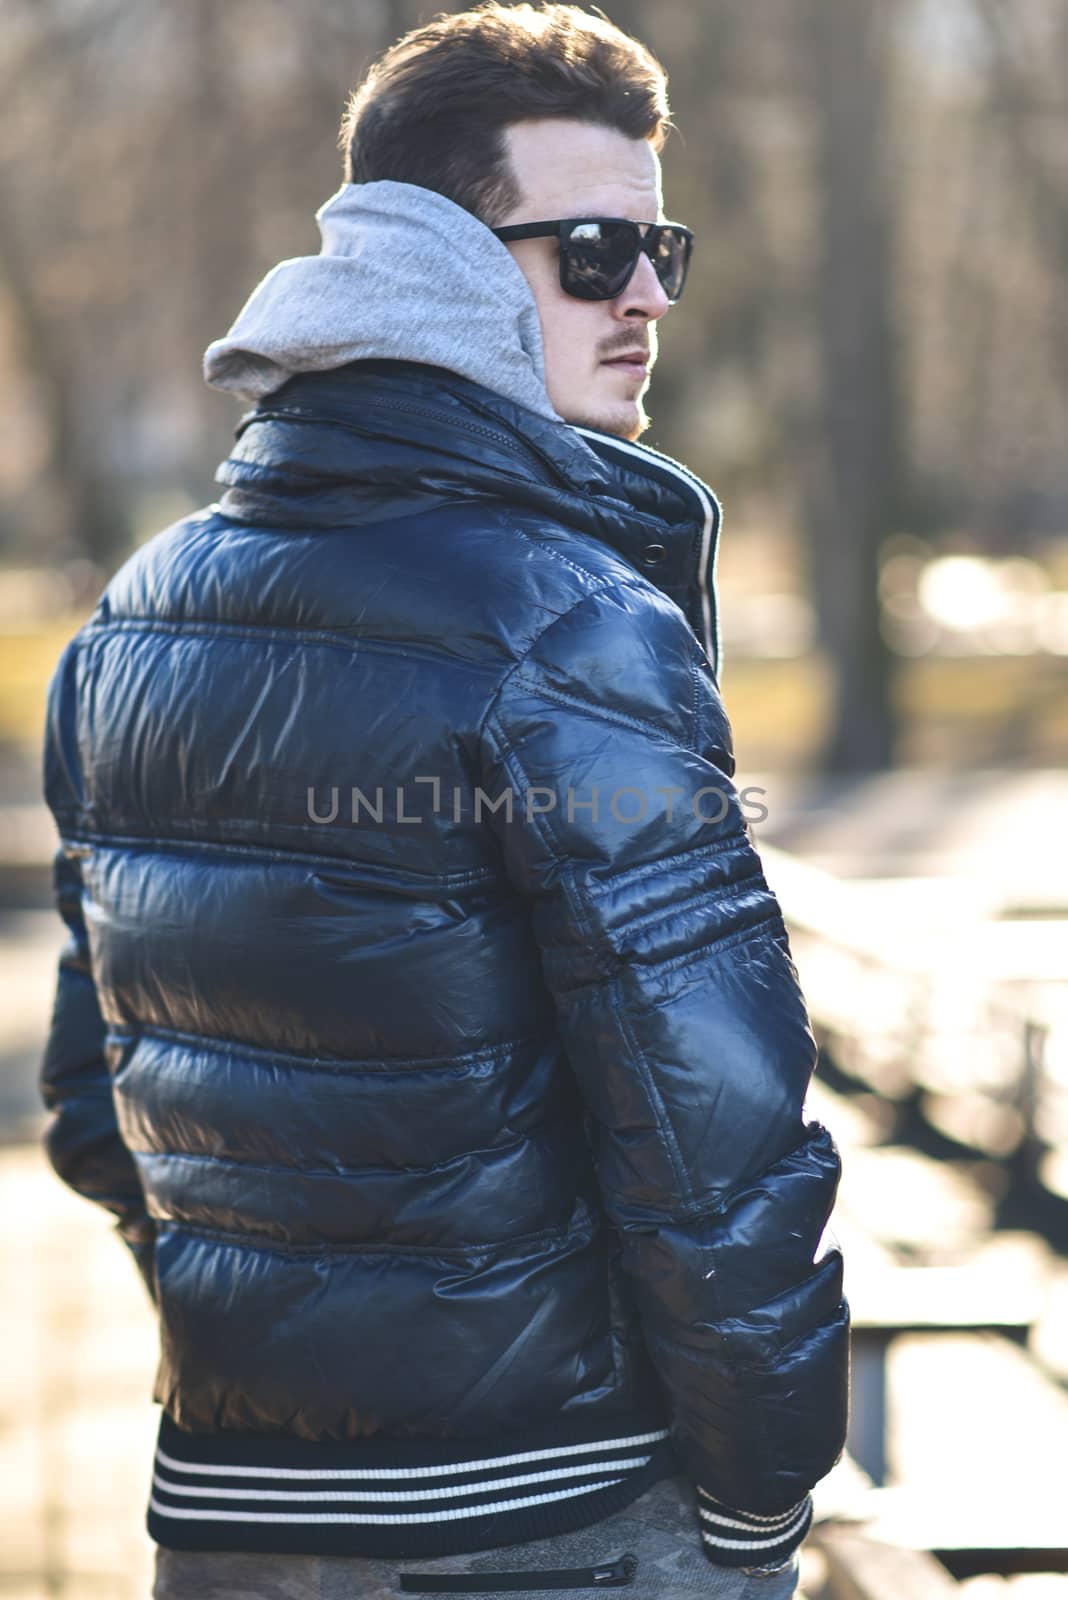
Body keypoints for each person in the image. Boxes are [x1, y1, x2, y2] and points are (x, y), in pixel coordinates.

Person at [39, 5, 849, 1596]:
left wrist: (284, 1371)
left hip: (228, 1516)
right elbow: (711, 1129)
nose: (645, 302)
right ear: (440, 265)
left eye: (661, 251)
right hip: (552, 1531)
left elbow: (95, 1099)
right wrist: (761, 1500)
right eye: (595, 250)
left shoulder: (133, 617)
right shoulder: (565, 618)